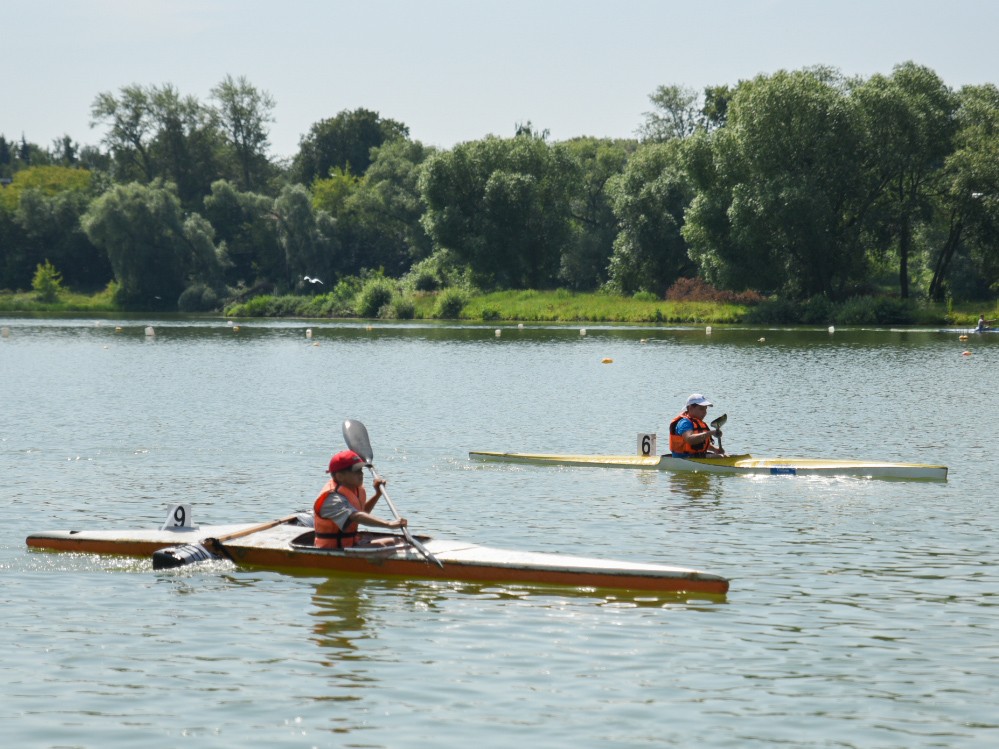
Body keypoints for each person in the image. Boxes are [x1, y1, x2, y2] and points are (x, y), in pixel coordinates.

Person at [313, 450, 407, 549]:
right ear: (340, 476)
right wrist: (388, 524)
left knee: (399, 541)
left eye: (361, 470)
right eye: (356, 471)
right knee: (383, 548)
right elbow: (356, 516)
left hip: (351, 544)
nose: (361, 474)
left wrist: (377, 494)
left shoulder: (355, 489)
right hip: (333, 550)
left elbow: (362, 512)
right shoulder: (331, 498)